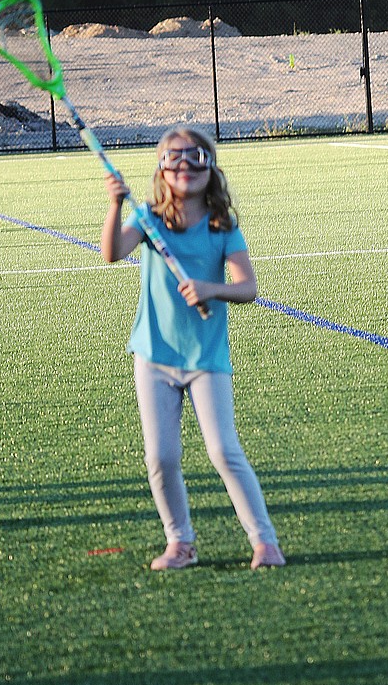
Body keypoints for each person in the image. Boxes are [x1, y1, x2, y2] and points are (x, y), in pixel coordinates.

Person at [101, 126, 285, 572]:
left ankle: (264, 543)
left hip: (206, 359)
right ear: (162, 171)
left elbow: (248, 288)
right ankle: (180, 542)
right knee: (161, 456)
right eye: (174, 158)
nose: (185, 166)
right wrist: (114, 205)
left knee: (224, 451)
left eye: (195, 157)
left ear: (210, 169)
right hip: (154, 355)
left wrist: (209, 287)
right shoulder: (147, 219)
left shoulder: (223, 226)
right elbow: (112, 253)